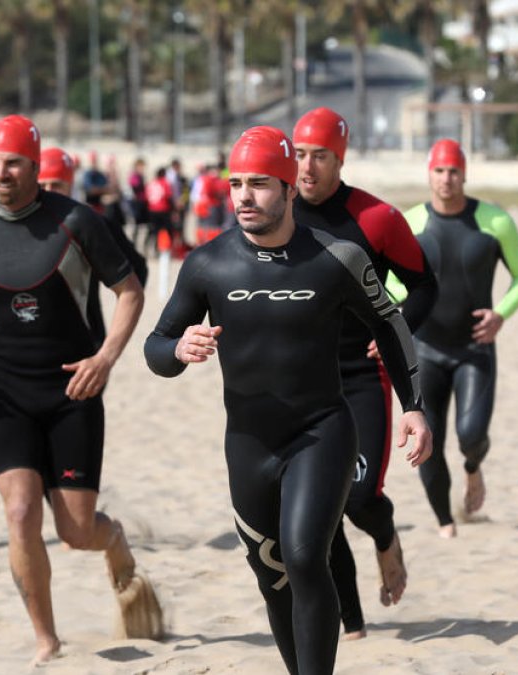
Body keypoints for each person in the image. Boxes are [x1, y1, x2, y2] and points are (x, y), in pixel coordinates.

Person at [145, 126, 431, 675]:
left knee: (304, 557)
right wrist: (178, 346)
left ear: (289, 189)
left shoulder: (337, 257)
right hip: (249, 444)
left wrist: (413, 407)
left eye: (260, 184)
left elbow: (392, 325)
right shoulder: (208, 264)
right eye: (236, 185)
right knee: (272, 577)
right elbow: (156, 349)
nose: (245, 197)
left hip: (320, 432)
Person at [0, 116, 161, 664]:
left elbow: (129, 291)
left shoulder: (77, 222)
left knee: (76, 531)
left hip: (73, 392)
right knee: (21, 513)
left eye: (12, 163)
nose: (1, 174)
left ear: (33, 166)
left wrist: (105, 358)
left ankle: (115, 540)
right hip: (5, 392)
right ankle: (46, 638)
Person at [291, 106, 437, 639]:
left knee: (358, 499)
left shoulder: (376, 219)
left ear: (340, 158)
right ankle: (350, 623)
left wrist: (392, 327)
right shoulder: (279, 213)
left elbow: (424, 285)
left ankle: (385, 534)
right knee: (320, 511)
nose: (306, 168)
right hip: (301, 384)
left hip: (360, 379)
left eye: (319, 156)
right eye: (300, 154)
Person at [387, 139, 518, 539]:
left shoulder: (494, 221)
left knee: (471, 436)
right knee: (427, 439)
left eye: (453, 171)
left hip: (474, 348)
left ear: (464, 175)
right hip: (424, 349)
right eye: (439, 171)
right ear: (429, 175)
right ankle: (445, 522)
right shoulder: (411, 222)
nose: (446, 179)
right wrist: (403, 308)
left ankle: (473, 469)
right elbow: (388, 283)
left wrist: (500, 313)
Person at [38, 146, 148, 345]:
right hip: (33, 346)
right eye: (42, 185)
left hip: (84, 343)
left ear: (70, 185)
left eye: (56, 185)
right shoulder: (24, 225)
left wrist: (123, 312)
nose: (48, 192)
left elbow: (138, 269)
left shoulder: (92, 223)